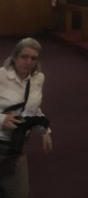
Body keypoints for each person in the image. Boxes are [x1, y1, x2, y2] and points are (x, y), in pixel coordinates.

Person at [0, 38, 52, 198]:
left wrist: (44, 130)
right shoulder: (1, 76)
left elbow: (32, 109)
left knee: (19, 193)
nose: (28, 61)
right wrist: (2, 120)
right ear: (15, 57)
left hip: (17, 144)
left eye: (33, 58)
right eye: (24, 56)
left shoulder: (38, 79)